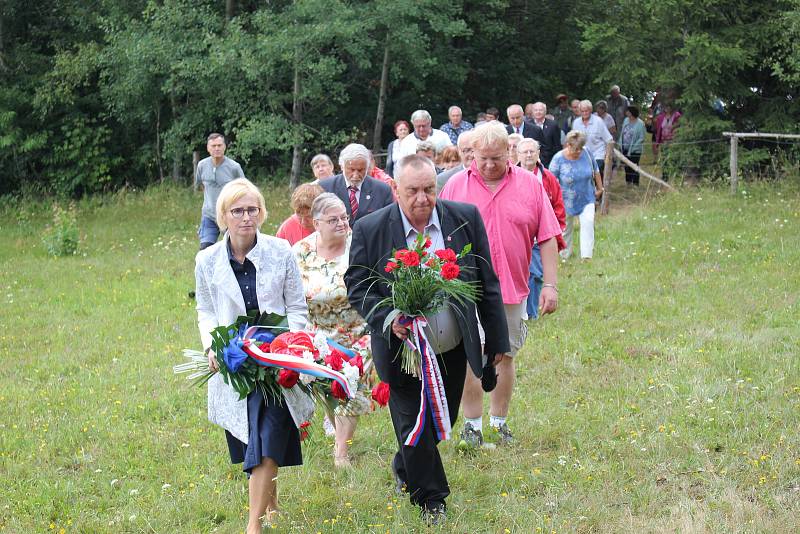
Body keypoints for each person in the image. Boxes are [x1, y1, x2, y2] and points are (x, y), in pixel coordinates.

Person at [345, 154, 509, 525]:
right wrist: (389, 317)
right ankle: (431, 498)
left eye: (429, 189)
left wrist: (496, 338)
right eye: (413, 191)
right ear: (396, 190)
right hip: (401, 350)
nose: (422, 198)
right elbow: (356, 283)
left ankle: (406, 465)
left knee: (439, 419)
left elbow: (486, 283)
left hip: (450, 348)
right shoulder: (371, 227)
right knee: (412, 420)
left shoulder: (463, 217)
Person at [195, 178, 308, 533]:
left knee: (268, 434)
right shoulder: (207, 260)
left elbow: (296, 306)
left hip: (276, 359)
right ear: (224, 215)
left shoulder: (280, 251)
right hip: (235, 360)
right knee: (252, 436)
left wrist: (293, 344)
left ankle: (253, 525)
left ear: (261, 212)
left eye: (252, 209)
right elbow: (206, 309)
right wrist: (212, 345)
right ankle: (271, 507)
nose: (246, 217)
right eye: (238, 211)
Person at [439, 122, 561, 447]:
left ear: (509, 152)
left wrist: (550, 284)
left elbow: (547, 237)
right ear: (471, 155)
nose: (490, 165)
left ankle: (499, 422)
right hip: (466, 291)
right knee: (469, 354)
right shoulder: (454, 188)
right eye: (483, 159)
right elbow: (437, 238)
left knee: (505, 355)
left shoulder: (530, 186)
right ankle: (472, 425)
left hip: (512, 289)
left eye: (496, 158)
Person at [293, 193, 373, 468]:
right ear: (316, 223)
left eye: (344, 217)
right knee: (330, 391)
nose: (342, 223)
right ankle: (335, 426)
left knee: (352, 384)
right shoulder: (300, 251)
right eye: (333, 219)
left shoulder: (359, 246)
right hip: (318, 335)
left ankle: (341, 453)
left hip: (359, 332)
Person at [517, 138, 567, 319]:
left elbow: (558, 204)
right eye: (525, 152)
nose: (529, 155)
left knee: (536, 273)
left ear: (538, 154)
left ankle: (531, 313)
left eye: (532, 151)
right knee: (522, 273)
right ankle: (521, 310)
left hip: (540, 235)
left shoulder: (548, 178)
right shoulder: (510, 176)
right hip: (518, 234)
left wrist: (558, 228)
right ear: (518, 154)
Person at [549, 131, 604, 260]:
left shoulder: (587, 153)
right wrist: (552, 198)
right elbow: (550, 179)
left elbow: (595, 170)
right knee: (565, 228)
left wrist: (600, 188)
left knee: (588, 223)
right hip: (565, 199)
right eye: (576, 149)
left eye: (581, 148)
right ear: (567, 145)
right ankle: (564, 255)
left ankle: (586, 256)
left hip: (587, 196)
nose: (579, 151)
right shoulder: (558, 159)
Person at [319, 143, 393, 226]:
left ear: (367, 167)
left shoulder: (382, 190)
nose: (356, 175)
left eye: (361, 170)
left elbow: (389, 224)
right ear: (342, 166)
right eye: (351, 169)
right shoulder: (324, 188)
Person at [195, 133, 244, 249]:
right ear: (208, 148)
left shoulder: (234, 167)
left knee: (234, 249)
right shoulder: (201, 165)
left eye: (219, 145)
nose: (216, 148)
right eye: (213, 146)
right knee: (205, 249)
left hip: (229, 215)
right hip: (209, 216)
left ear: (224, 147)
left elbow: (244, 190)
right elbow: (201, 185)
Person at [571, 99, 614, 178]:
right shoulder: (576, 123)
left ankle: (598, 189)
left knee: (592, 174)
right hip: (582, 154)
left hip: (598, 154)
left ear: (590, 110)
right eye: (582, 111)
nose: (584, 113)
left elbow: (609, 139)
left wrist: (607, 156)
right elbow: (573, 139)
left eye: (586, 111)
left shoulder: (598, 121)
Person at [528, 102, 562, 167]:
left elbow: (557, 145)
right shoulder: (528, 125)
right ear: (532, 112)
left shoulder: (553, 125)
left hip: (549, 161)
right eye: (536, 110)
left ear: (545, 111)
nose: (538, 112)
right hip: (531, 160)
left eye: (540, 110)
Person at [618, 106, 646, 186]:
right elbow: (622, 132)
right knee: (626, 166)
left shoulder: (640, 124)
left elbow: (641, 137)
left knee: (634, 166)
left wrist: (634, 146)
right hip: (625, 147)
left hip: (635, 149)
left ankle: (635, 182)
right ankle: (628, 182)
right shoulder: (626, 120)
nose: (626, 112)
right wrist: (620, 143)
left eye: (627, 111)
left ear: (631, 112)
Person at [653, 103, 682, 181]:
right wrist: (657, 143)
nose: (666, 108)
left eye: (668, 106)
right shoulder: (660, 117)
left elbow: (679, 127)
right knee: (664, 159)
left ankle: (676, 176)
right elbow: (659, 130)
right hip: (664, 142)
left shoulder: (677, 116)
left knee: (674, 159)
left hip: (674, 141)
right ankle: (665, 176)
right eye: (665, 106)